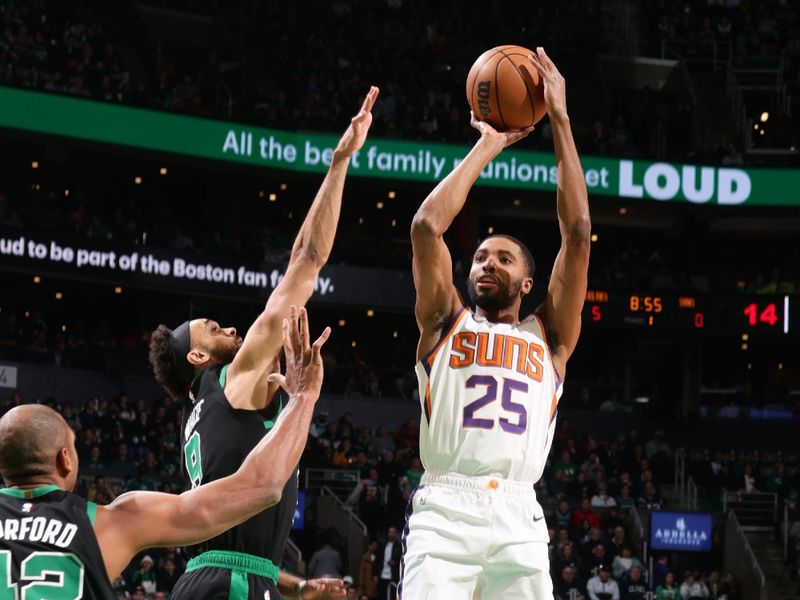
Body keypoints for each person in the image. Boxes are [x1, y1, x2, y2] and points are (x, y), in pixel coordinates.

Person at [148, 87, 379, 600]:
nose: (230, 328)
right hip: (232, 583)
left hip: (216, 577)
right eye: (212, 328)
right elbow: (306, 259)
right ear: (198, 357)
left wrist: (296, 588)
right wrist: (340, 163)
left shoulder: (198, 418)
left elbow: (233, 545)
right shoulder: (231, 378)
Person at [402, 48, 591, 598]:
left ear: (528, 284)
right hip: (445, 508)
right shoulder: (444, 322)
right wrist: (487, 143)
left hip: (518, 516)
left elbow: (577, 232)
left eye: (504, 258)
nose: (487, 263)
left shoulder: (549, 337)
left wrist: (559, 118)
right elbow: (424, 228)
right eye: (481, 256)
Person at [0, 309, 342, 599]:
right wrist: (303, 398)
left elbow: (218, 555)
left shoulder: (196, 413)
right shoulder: (110, 520)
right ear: (65, 460)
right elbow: (263, 488)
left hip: (202, 579)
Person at [375, 527, 402, 599]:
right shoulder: (383, 545)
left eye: (393, 532)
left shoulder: (399, 546)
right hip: (383, 575)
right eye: (390, 532)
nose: (391, 534)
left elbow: (401, 559)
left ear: (396, 534)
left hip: (393, 575)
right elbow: (378, 560)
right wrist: (376, 574)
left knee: (392, 595)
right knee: (382, 595)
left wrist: (395, 562)